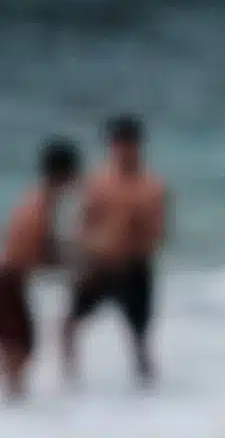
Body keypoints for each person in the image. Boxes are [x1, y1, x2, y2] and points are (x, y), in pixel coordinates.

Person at [0, 140, 81, 398]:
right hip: (7, 282)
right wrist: (71, 264)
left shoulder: (38, 200)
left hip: (7, 280)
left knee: (17, 352)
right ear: (65, 174)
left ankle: (10, 401)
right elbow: (35, 251)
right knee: (17, 352)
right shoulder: (40, 206)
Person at [64, 114, 169, 388]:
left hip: (134, 268)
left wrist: (138, 240)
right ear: (111, 146)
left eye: (129, 143)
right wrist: (81, 259)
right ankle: (69, 383)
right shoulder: (98, 182)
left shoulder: (151, 187)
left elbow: (158, 235)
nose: (123, 149)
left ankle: (146, 392)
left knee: (139, 339)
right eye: (118, 143)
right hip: (99, 266)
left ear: (138, 145)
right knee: (69, 326)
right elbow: (83, 224)